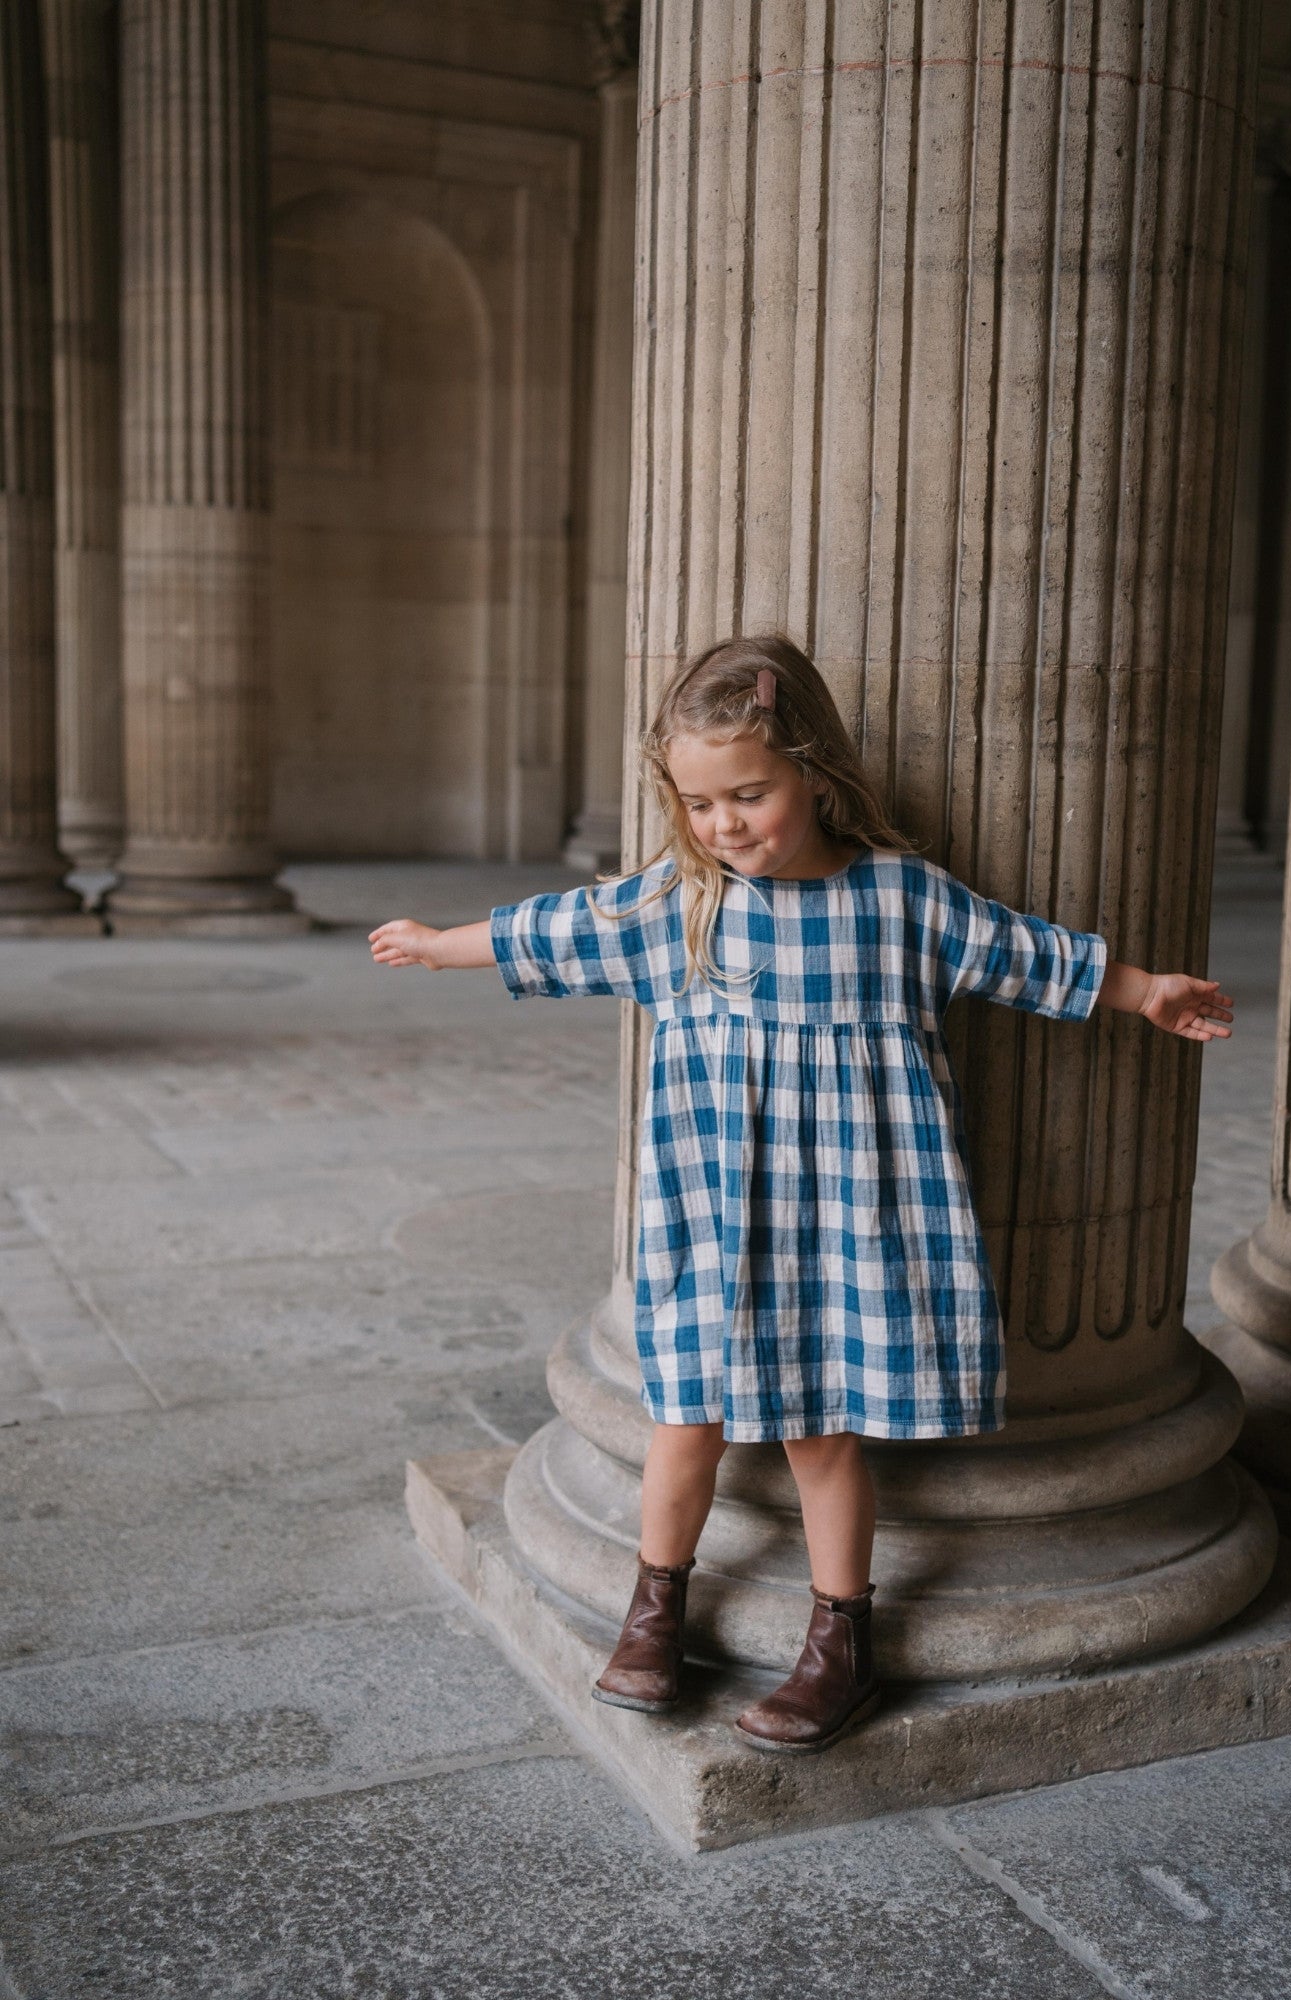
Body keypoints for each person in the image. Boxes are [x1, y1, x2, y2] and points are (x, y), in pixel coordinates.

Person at [369, 633, 1234, 1755]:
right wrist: (444, 943)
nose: (725, 823)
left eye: (750, 793)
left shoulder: (897, 898)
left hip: (843, 1230)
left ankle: (841, 1641)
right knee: (686, 1422)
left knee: (825, 1438)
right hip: (716, 1224)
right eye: (700, 801)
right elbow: (557, 925)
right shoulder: (679, 904)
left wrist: (1144, 988)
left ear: (813, 772)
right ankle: (655, 1606)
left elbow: (1022, 951)